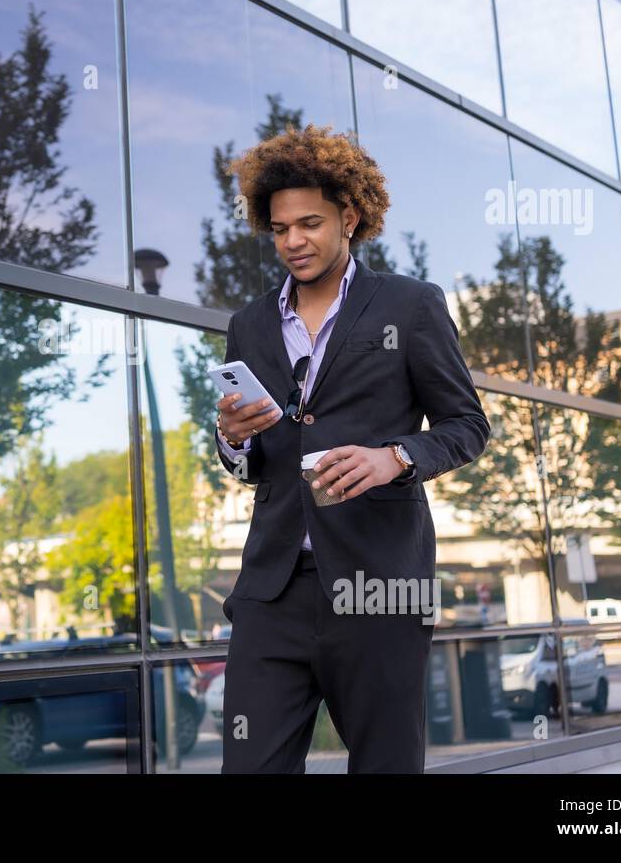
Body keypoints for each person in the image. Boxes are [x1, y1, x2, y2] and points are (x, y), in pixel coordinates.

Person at [215, 123, 489, 773]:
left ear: (350, 216)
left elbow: (466, 425)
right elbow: (252, 462)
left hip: (380, 586)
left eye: (309, 224)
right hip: (272, 591)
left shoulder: (411, 306)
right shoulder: (249, 324)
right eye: (280, 229)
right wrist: (233, 439)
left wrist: (393, 457)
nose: (293, 241)